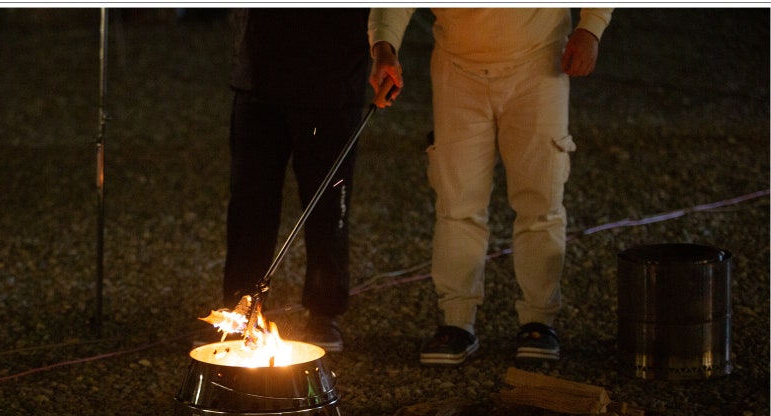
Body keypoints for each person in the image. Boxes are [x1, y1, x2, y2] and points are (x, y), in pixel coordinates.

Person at [368, 8, 613, 365]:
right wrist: (384, 47)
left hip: (539, 61)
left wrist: (590, 28)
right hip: (457, 68)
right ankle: (457, 321)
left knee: (540, 198)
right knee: (457, 202)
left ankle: (538, 321)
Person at [211, 8, 371, 352]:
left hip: (332, 77)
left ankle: (323, 310)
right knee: (249, 202)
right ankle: (242, 308)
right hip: (257, 74)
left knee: (328, 202)